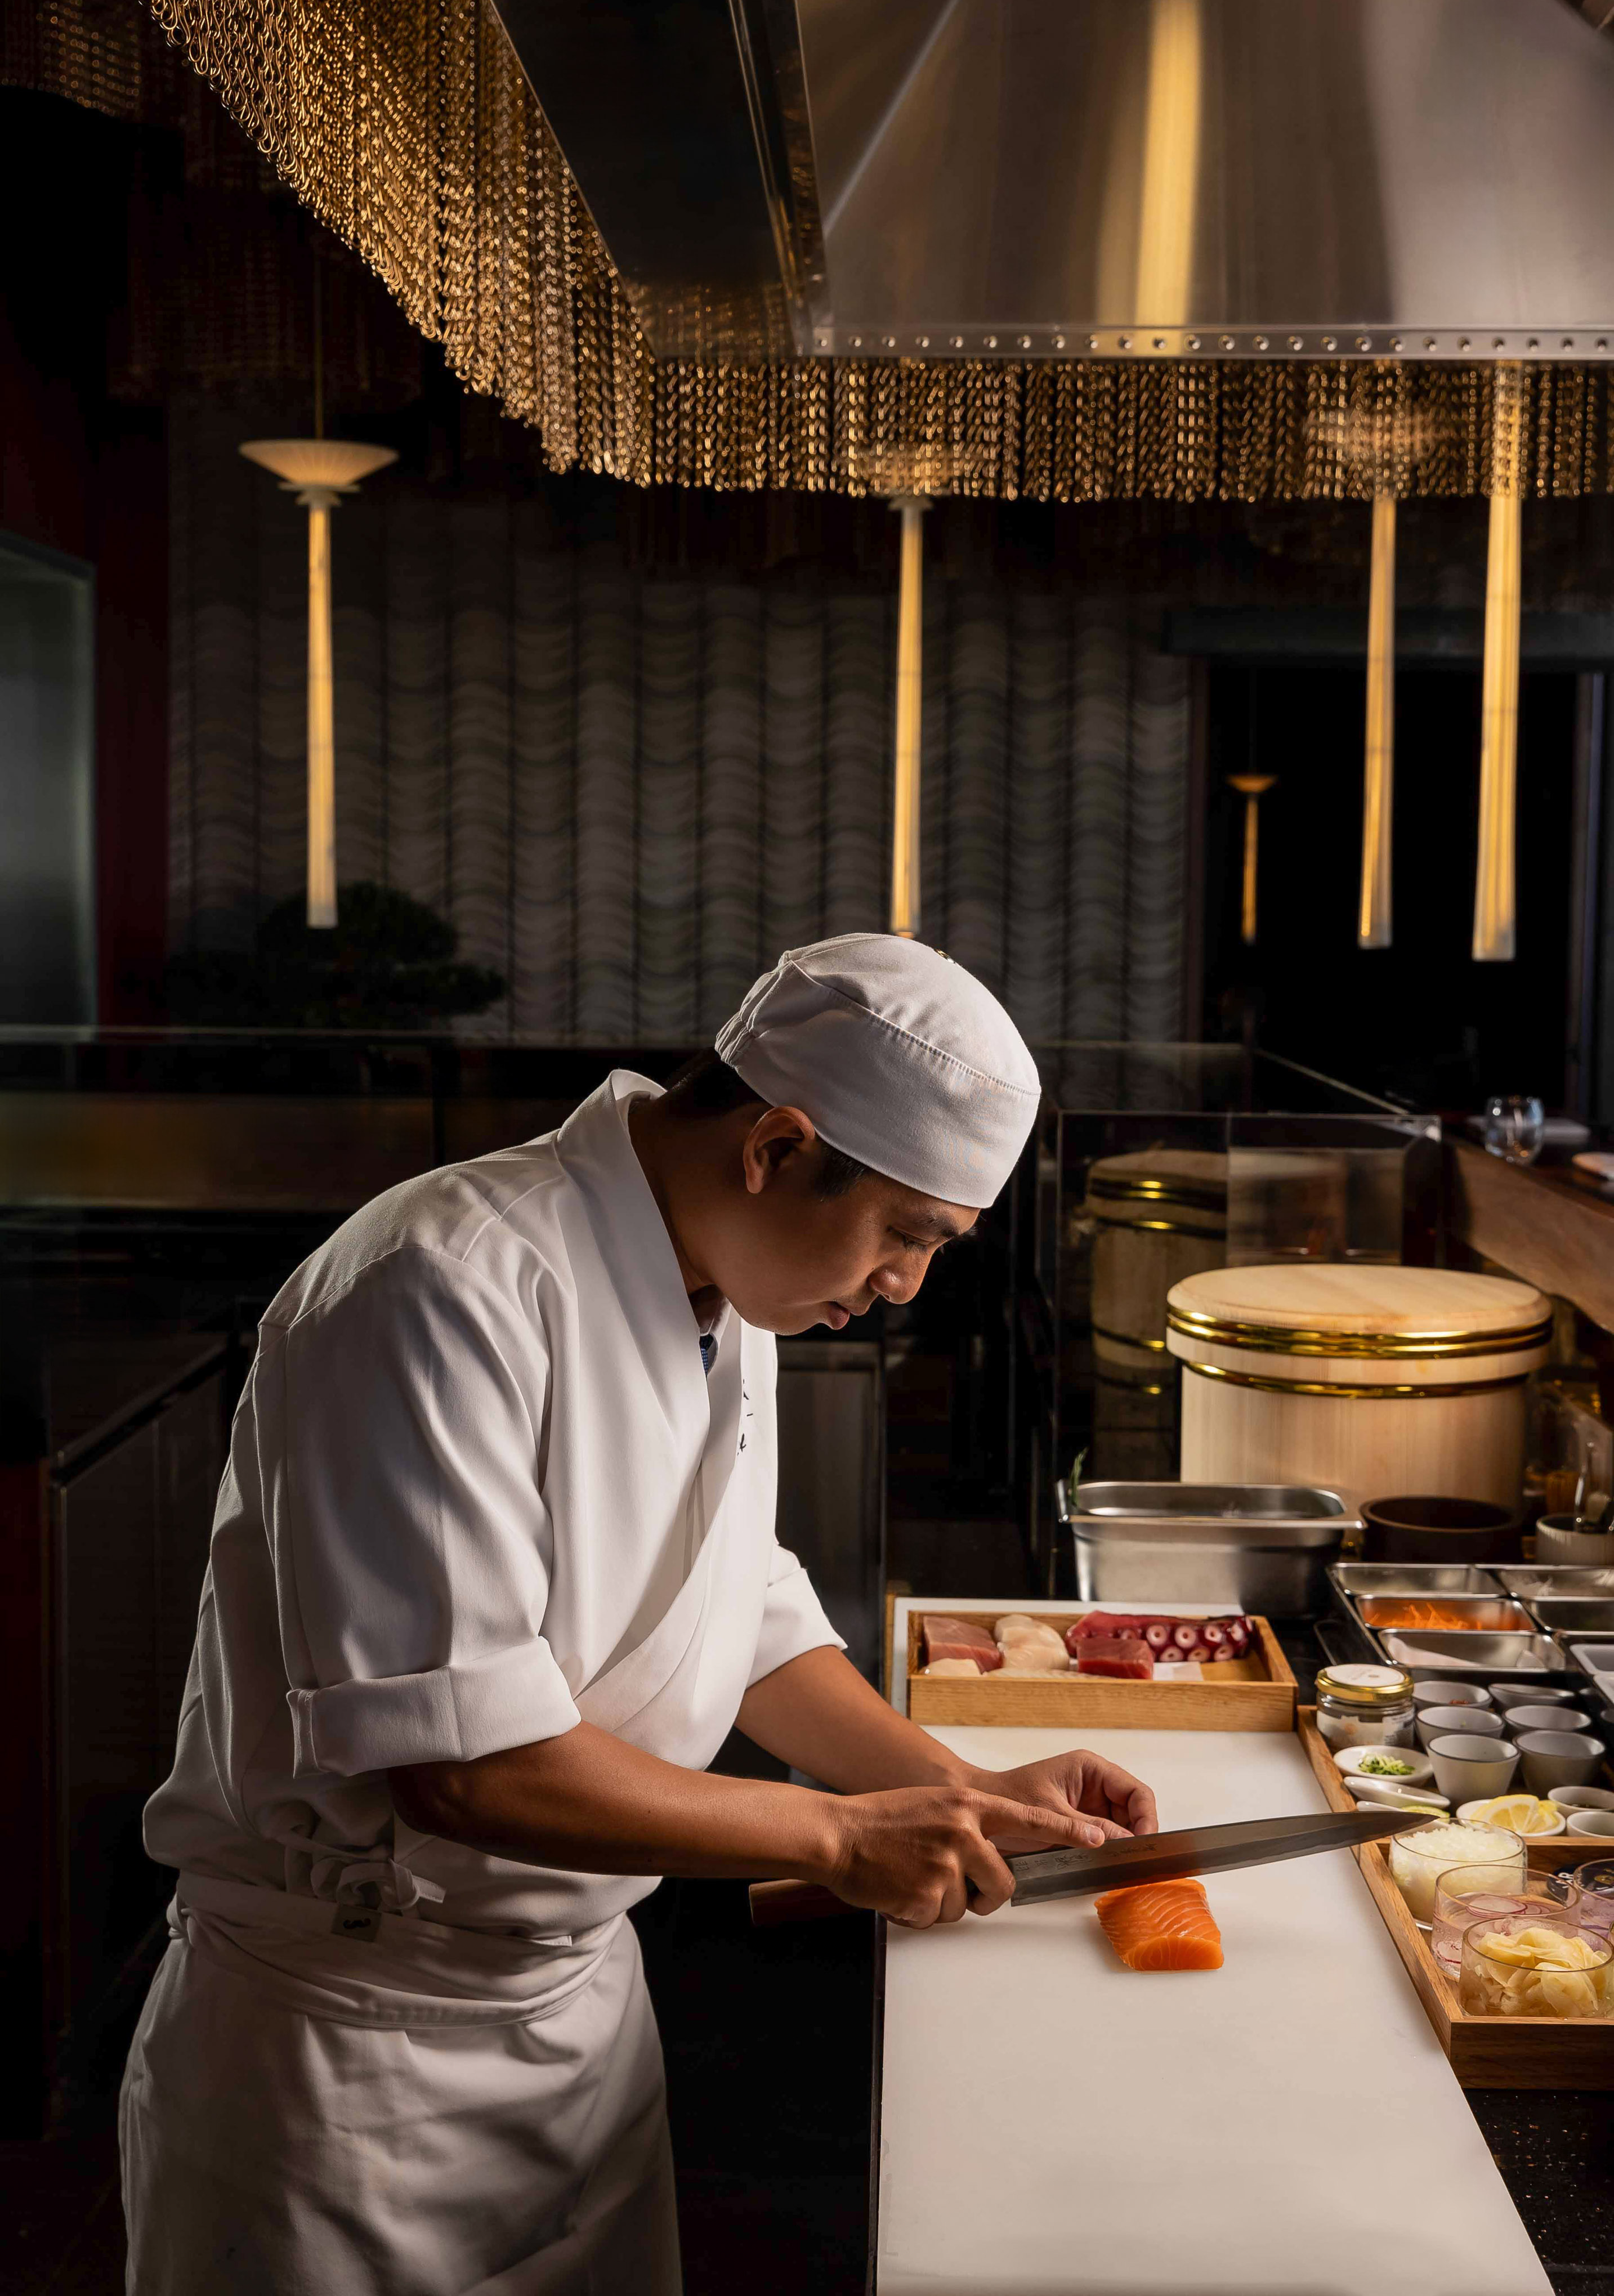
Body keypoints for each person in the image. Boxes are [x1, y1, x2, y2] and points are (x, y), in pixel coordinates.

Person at [120, 933, 1157, 2295]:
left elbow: (744, 1608)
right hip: (349, 2045)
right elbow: (469, 1764)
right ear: (776, 1148)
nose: (906, 1284)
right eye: (906, 1234)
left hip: (584, 2026)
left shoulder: (739, 1291)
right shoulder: (439, 1286)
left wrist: (964, 1787)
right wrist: (837, 1833)